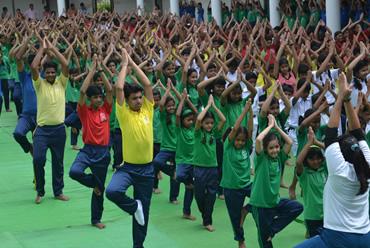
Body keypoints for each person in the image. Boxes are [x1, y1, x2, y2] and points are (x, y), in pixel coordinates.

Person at [294, 73, 370, 247]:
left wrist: (341, 98)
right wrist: (347, 100)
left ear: (341, 155)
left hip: (337, 237)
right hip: (366, 236)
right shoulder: (367, 163)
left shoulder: (339, 170)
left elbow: (331, 134)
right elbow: (357, 132)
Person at [105, 49, 154, 248]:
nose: (139, 100)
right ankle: (134, 206)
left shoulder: (148, 110)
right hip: (128, 168)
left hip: (147, 170)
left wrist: (133, 62)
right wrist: (124, 64)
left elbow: (148, 84)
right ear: (127, 100)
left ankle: (138, 245)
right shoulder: (123, 114)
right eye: (134, 98)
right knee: (112, 191)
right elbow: (118, 88)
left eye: (140, 97)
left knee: (144, 215)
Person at [69, 55, 113, 229]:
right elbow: (81, 91)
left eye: (100, 97)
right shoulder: (84, 111)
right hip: (87, 150)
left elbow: (110, 91)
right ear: (89, 99)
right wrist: (91, 71)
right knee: (74, 171)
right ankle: (93, 183)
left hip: (103, 152)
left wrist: (100, 70)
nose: (99, 99)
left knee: (100, 191)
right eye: (95, 97)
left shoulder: (106, 109)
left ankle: (96, 219)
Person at [249, 114, 303, 248]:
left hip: (274, 202)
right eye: (271, 148)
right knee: (265, 241)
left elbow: (289, 142)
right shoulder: (262, 159)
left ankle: (272, 230)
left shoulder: (280, 158)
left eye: (277, 147)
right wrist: (270, 127)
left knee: (297, 207)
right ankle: (268, 232)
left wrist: (277, 128)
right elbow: (259, 139)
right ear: (266, 149)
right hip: (260, 204)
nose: (275, 150)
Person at [31, 37, 69, 204]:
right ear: (43, 74)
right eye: (48, 72)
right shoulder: (39, 85)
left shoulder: (61, 83)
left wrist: (52, 48)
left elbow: (66, 65)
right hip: (42, 130)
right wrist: (42, 48)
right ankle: (40, 191)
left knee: (58, 162)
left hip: (59, 130)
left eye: (53, 72)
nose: (52, 75)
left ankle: (58, 191)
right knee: (38, 158)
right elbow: (33, 66)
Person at [221, 99, 253, 248]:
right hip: (231, 188)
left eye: (242, 140)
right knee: (235, 218)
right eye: (238, 140)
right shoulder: (228, 147)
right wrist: (244, 111)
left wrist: (251, 111)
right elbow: (234, 130)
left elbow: (251, 130)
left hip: (246, 184)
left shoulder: (247, 147)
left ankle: (246, 209)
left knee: (263, 196)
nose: (240, 142)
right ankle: (241, 241)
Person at [193, 94, 226, 232]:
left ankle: (207, 221)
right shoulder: (198, 133)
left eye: (211, 123)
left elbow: (223, 119)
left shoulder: (215, 133)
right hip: (200, 168)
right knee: (199, 195)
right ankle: (204, 214)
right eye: (207, 123)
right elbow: (199, 118)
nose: (209, 125)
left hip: (212, 168)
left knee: (211, 195)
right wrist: (207, 106)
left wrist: (214, 107)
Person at [295, 127, 328, 238]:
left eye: (318, 158)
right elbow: (299, 162)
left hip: (328, 215)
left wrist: (317, 142)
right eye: (312, 159)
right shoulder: (305, 175)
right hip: (312, 217)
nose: (316, 161)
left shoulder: (324, 169)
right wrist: (309, 143)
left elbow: (330, 151)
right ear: (307, 160)